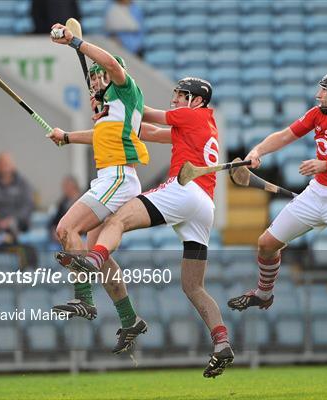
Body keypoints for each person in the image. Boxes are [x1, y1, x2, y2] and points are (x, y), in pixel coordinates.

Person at [57, 77, 234, 378]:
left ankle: (94, 259)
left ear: (197, 100)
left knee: (116, 220)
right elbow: (147, 130)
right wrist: (107, 119)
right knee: (193, 286)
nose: (175, 98)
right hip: (205, 206)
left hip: (184, 189)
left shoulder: (190, 114)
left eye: (181, 95)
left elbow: (144, 112)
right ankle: (222, 342)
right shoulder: (200, 124)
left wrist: (111, 102)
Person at [227, 72, 327, 360]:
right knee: (266, 244)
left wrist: (325, 165)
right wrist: (257, 152)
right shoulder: (318, 113)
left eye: (325, 91)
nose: (319, 95)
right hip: (316, 193)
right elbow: (285, 135)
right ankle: (264, 293)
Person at [47, 23, 150, 354]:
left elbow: (111, 64)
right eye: (90, 76)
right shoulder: (108, 111)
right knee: (99, 255)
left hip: (118, 177)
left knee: (66, 228)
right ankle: (130, 318)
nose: (94, 79)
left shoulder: (125, 88)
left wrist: (75, 43)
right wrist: (67, 137)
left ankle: (84, 300)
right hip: (108, 178)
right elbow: (97, 136)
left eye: (97, 75)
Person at [48, 175, 81, 244]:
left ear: (74, 186)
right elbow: (54, 222)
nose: (64, 189)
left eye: (67, 186)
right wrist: (55, 233)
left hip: (79, 234)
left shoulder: (82, 201)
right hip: (63, 236)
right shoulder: (62, 203)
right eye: (64, 187)